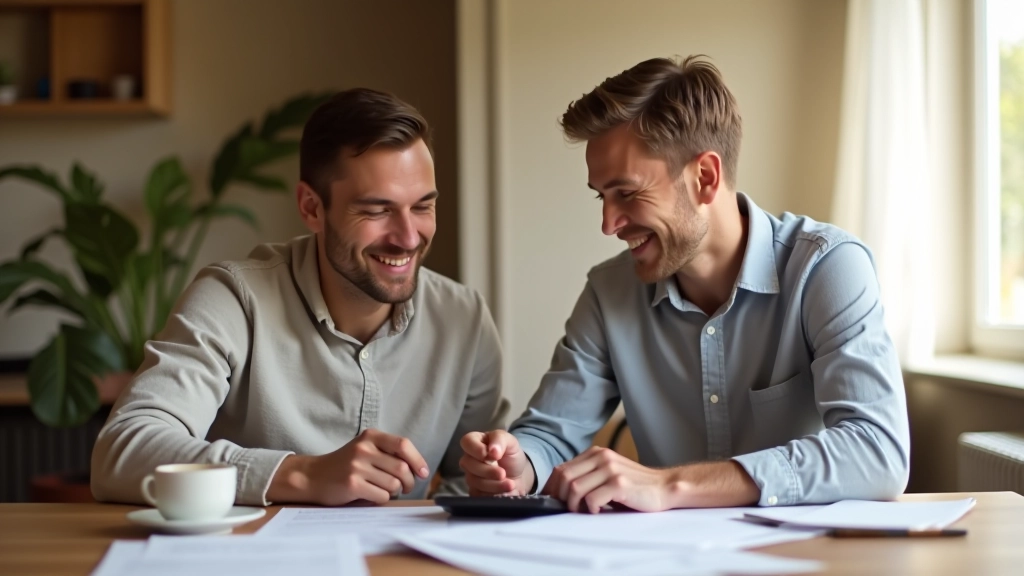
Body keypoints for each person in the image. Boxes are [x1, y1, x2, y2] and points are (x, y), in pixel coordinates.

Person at [460, 56, 910, 513]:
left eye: (627, 193)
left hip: (801, 549)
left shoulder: (827, 268)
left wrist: (671, 485)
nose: (608, 224)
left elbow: (877, 451)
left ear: (705, 178)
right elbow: (551, 434)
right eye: (602, 197)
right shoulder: (607, 293)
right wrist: (518, 465)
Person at [92, 88, 508, 506]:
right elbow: (122, 451)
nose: (408, 237)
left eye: (422, 207)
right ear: (311, 207)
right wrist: (303, 474)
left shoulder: (464, 319)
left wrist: (494, 478)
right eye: (377, 210)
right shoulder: (233, 300)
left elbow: (472, 483)